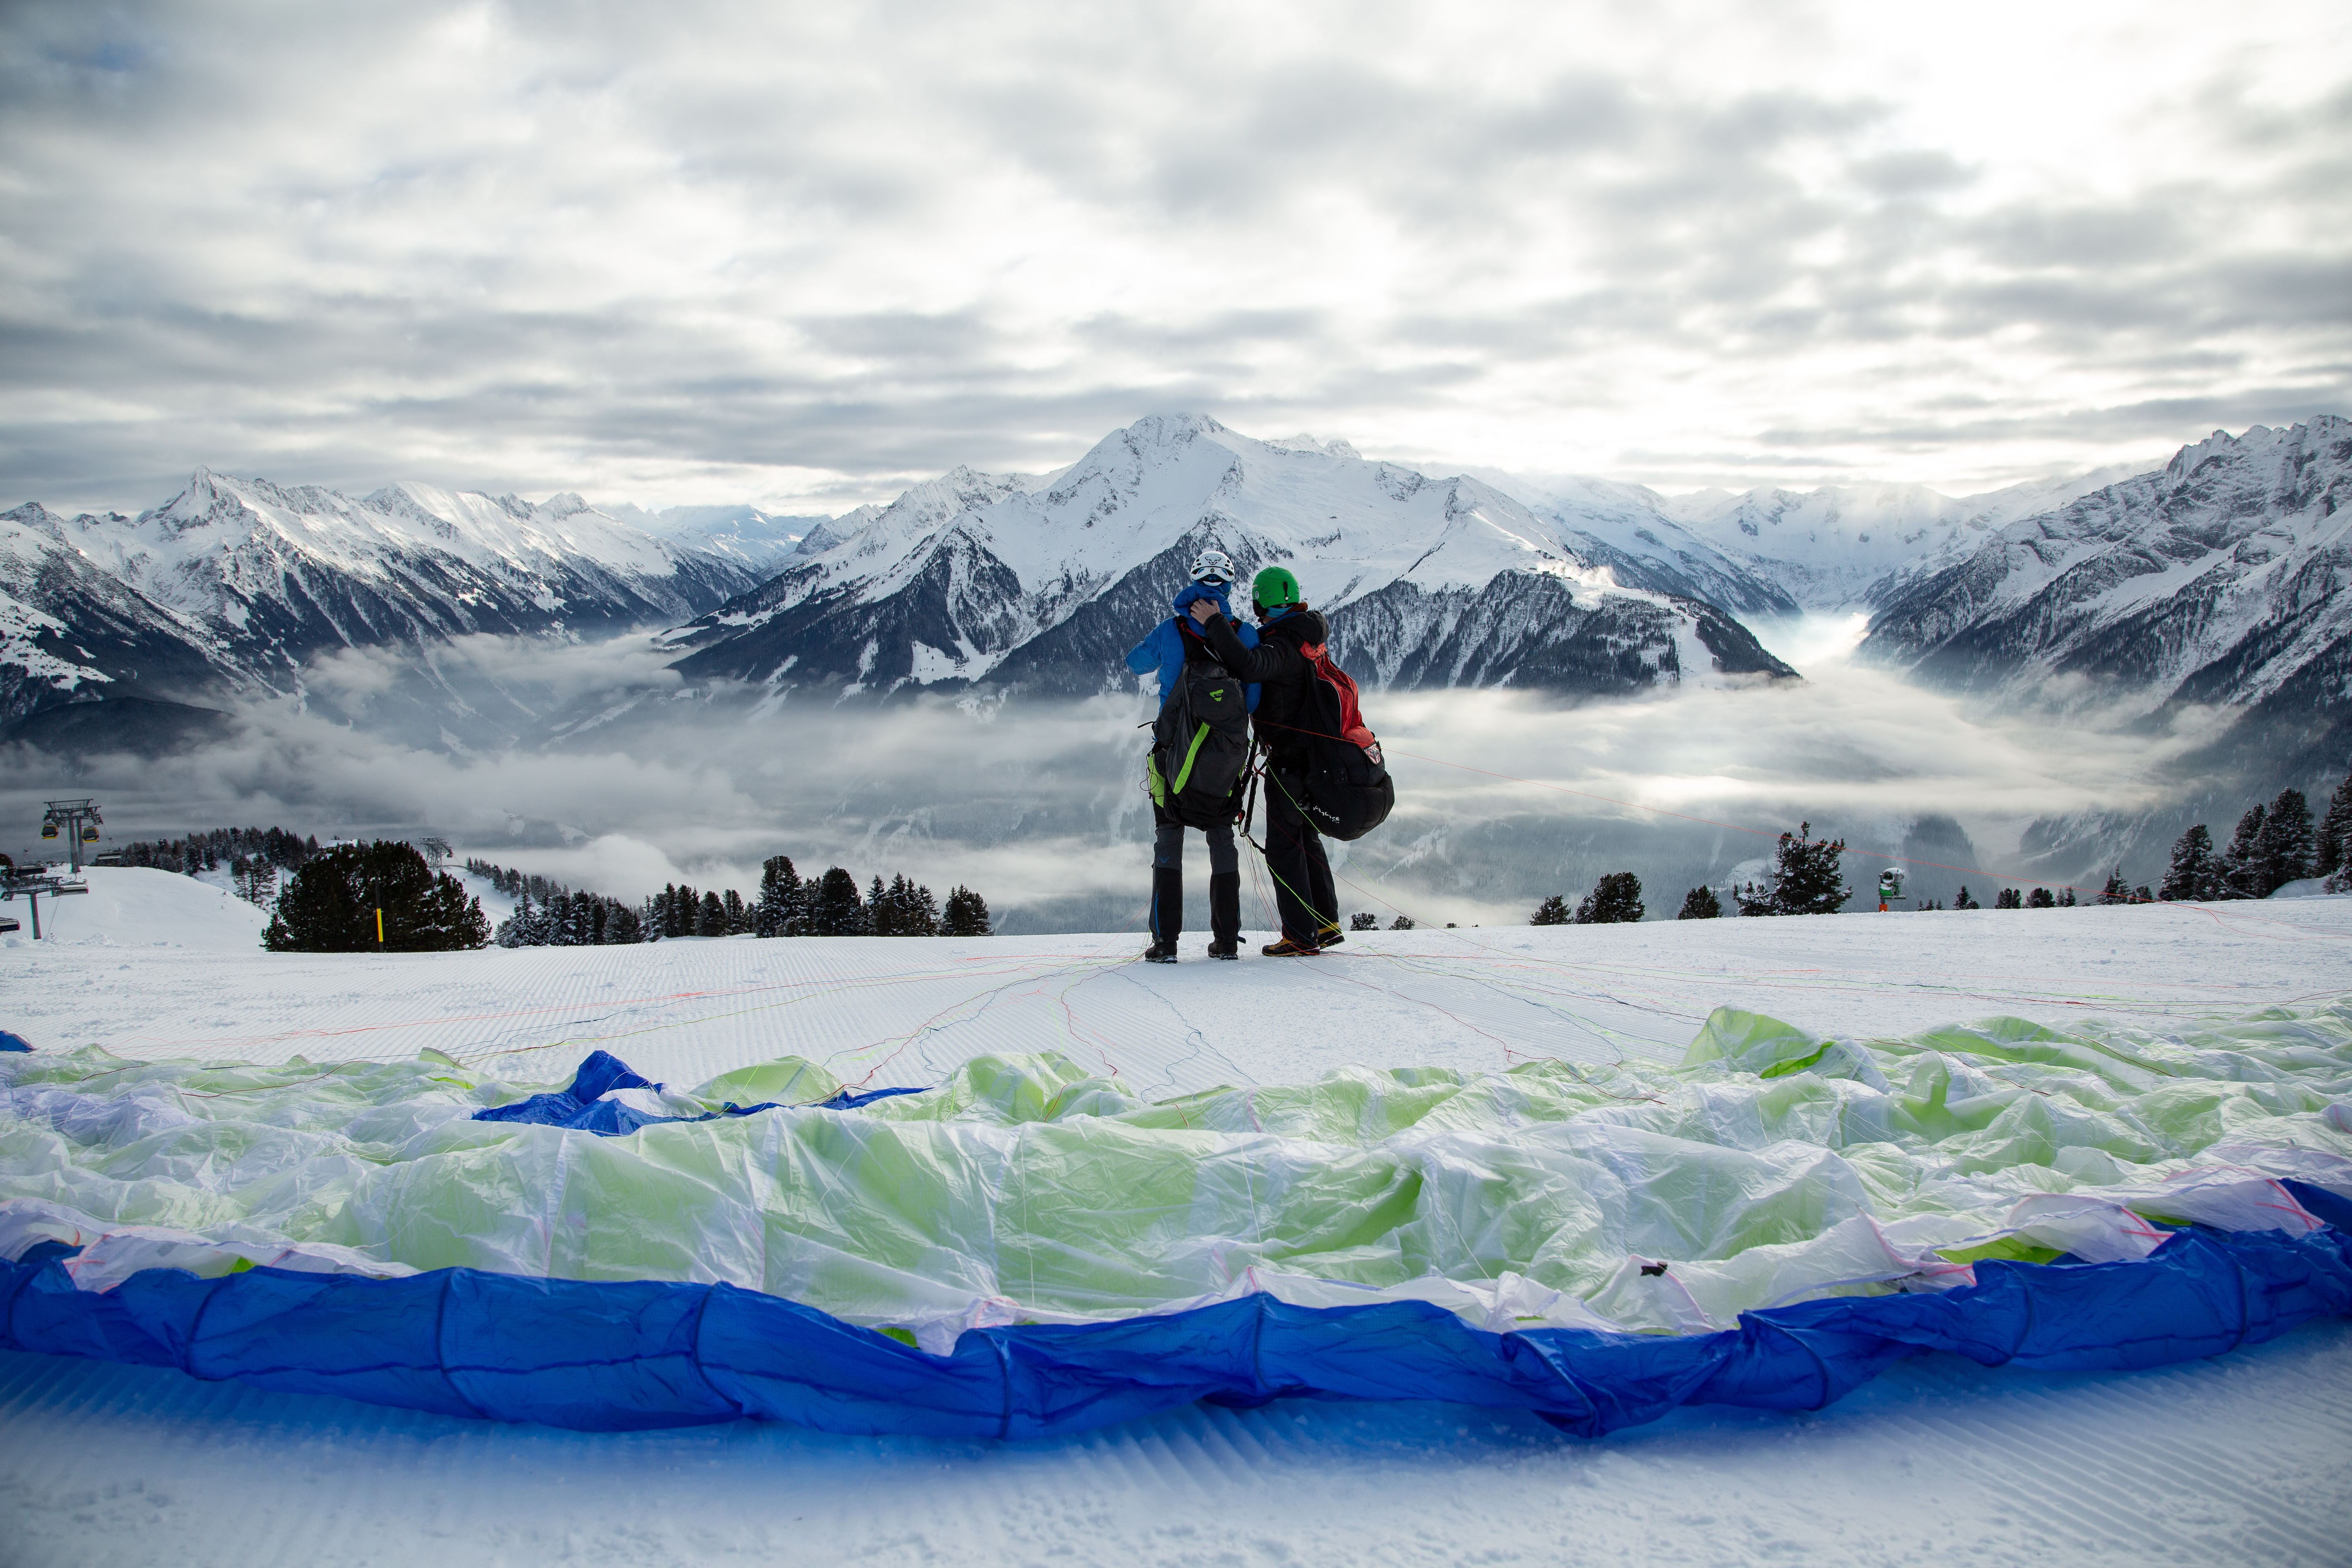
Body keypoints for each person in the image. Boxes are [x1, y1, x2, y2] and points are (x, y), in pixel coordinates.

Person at [1189, 565, 1341, 956]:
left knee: (1284, 845)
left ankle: (1301, 936)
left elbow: (1250, 666)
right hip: (1313, 757)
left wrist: (1215, 623)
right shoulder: (1306, 636)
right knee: (1305, 837)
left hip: (1292, 759)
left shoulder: (1285, 644)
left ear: (1261, 601)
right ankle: (1324, 924)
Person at [1126, 549, 1258, 961]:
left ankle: (1165, 943)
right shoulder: (1245, 633)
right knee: (1221, 839)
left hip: (1171, 753)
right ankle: (1226, 941)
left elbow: (1135, 663)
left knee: (1169, 837)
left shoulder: (1171, 630)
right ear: (1230, 584)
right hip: (1225, 757)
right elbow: (1252, 700)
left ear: (1195, 580)